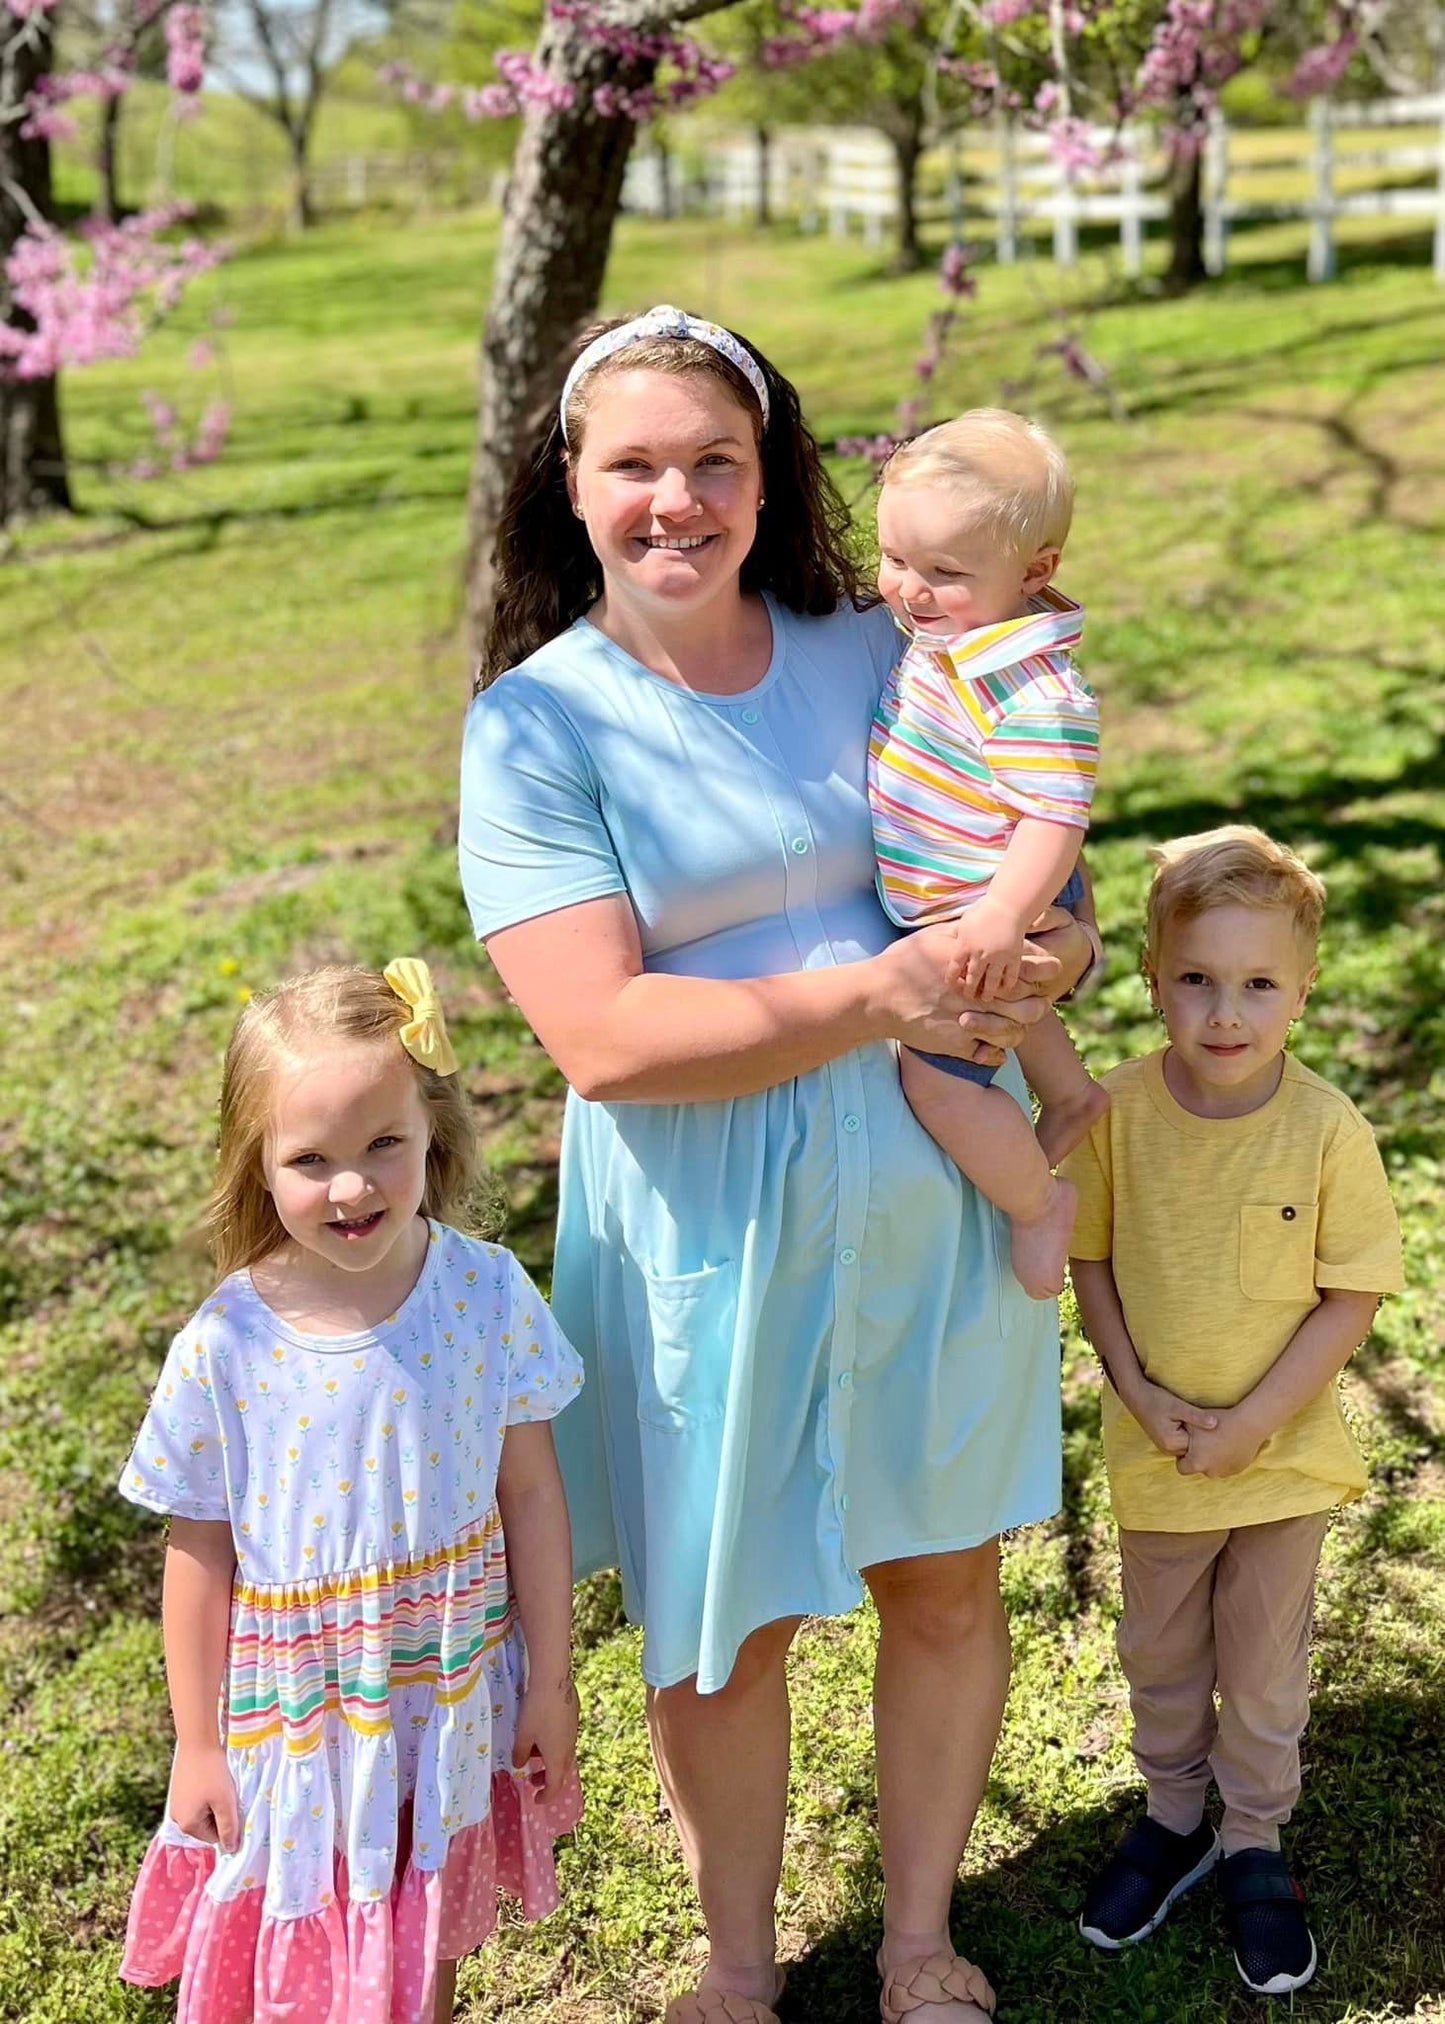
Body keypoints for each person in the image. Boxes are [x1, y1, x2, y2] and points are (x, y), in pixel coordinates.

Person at [458, 302, 1098, 2024]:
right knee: (721, 1615)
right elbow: (599, 1034)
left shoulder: (872, 645)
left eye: (716, 461)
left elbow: (1029, 860)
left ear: (770, 474)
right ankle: (737, 1963)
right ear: (571, 482)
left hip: (931, 1206)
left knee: (943, 1572)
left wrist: (1056, 966)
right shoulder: (536, 727)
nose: (679, 498)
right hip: (708, 1227)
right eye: (637, 464)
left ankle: (915, 1938)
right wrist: (876, 989)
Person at [116, 960, 584, 2024]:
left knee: (422, 1930)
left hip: (446, 1685)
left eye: (382, 1143)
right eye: (310, 1158)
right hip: (301, 1712)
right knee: (306, 1936)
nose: (352, 1185)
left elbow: (534, 1495)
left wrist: (548, 1676)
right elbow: (199, 1556)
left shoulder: (485, 1290)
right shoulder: (227, 1342)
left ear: (434, 1128)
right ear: (258, 1166)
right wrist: (196, 1741)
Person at [1062, 828, 1403, 1996]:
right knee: (1158, 1648)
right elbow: (1090, 1262)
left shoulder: (1323, 1129)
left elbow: (1350, 1291)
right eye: (1195, 978)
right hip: (1155, 1449)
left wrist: (1256, 1417)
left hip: (1280, 1457)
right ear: (1152, 977)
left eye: (1257, 983)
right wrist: (1135, 1390)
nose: (1223, 1010)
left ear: (1301, 991)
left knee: (1259, 1664)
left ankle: (1251, 1831)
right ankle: (1170, 1814)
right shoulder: (1113, 1114)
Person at [867, 409, 1105, 1301]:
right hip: (969, 889)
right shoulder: (953, 635)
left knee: (937, 1082)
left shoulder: (1031, 685)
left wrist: (1005, 915)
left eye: (944, 572)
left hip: (991, 896)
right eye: (894, 559)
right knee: (1012, 1010)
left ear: (1035, 572)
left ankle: (1037, 1203)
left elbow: (1053, 817)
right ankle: (1071, 1091)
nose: (909, 590)